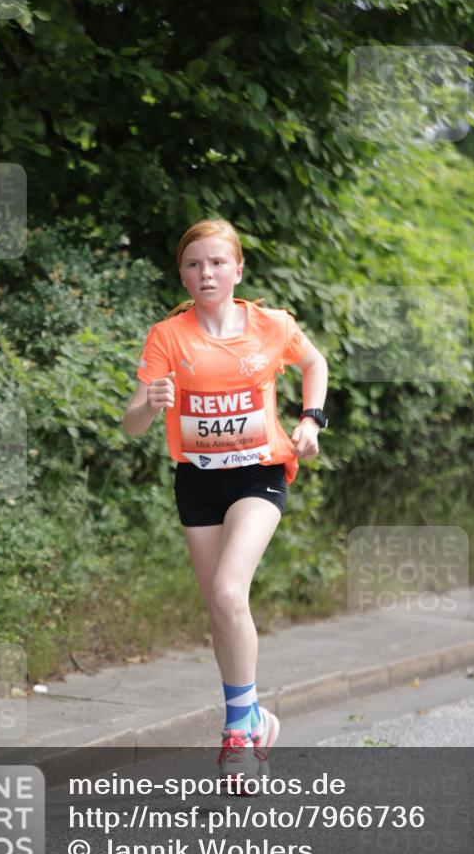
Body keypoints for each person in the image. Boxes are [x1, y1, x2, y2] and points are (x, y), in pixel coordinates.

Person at [122, 219, 328, 792]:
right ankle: (256, 716)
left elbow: (315, 364)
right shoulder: (167, 336)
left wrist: (311, 419)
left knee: (229, 592)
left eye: (215, 262)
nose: (204, 273)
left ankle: (239, 734)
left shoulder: (271, 326)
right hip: (198, 482)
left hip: (260, 474)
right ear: (182, 274)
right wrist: (151, 402)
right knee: (220, 609)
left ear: (237, 270)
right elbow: (133, 423)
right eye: (193, 264)